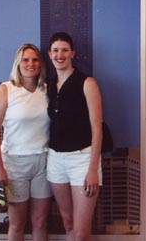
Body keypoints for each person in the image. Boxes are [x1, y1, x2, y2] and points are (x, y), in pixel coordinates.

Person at [0, 43, 52, 241]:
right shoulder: (6, 90)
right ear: (18, 63)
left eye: (35, 60)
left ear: (40, 64)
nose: (30, 64)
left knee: (40, 222)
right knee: (17, 224)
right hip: (14, 164)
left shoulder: (47, 90)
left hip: (43, 162)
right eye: (25, 60)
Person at [47, 32, 102, 241]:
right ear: (49, 54)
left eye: (64, 50)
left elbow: (97, 129)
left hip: (82, 159)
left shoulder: (87, 82)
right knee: (67, 224)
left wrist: (92, 170)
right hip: (55, 160)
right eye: (55, 50)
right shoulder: (50, 86)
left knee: (80, 233)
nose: (60, 54)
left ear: (72, 53)